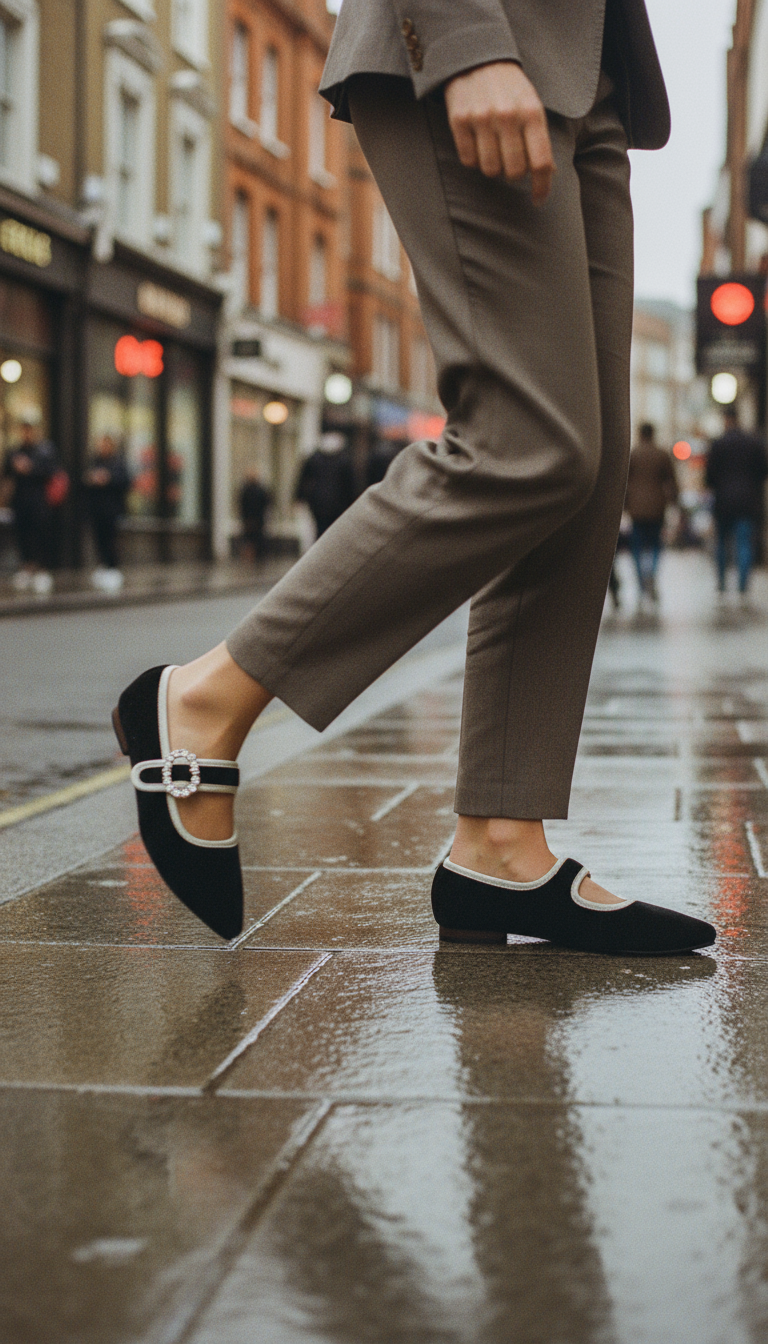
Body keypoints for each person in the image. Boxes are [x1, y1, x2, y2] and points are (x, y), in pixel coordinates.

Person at [110, 0, 715, 956]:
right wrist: (465, 41)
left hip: (595, 69)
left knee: (586, 475)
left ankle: (501, 843)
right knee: (527, 441)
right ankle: (204, 698)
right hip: (489, 33)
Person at [705, 406, 768, 596]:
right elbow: (764, 470)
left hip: (724, 501)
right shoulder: (753, 442)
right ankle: (742, 586)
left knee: (722, 543)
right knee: (744, 543)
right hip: (748, 501)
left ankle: (722, 583)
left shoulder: (718, 444)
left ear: (726, 420)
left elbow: (709, 476)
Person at [2, 410, 59, 594]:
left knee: (41, 534)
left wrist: (30, 468)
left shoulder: (45, 450)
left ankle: (43, 569)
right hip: (20, 500)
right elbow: (7, 476)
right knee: (22, 535)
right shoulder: (15, 451)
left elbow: (52, 472)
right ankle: (26, 567)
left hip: (40, 501)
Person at [624, 421, 678, 605]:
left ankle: (641, 582)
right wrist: (675, 501)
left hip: (636, 508)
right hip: (657, 507)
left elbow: (624, 481)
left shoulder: (633, 454)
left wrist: (624, 506)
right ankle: (652, 573)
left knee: (637, 547)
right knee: (655, 545)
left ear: (640, 434)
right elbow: (671, 480)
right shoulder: (662, 454)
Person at [83, 434, 131, 592]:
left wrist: (108, 478)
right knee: (99, 539)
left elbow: (126, 481)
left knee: (111, 539)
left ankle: (113, 568)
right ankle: (103, 566)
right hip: (96, 509)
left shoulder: (118, 463)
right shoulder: (94, 462)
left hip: (112, 510)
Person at [295, 432, 356, 536]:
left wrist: (299, 497)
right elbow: (350, 484)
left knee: (321, 529)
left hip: (319, 501)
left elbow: (303, 479)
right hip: (335, 501)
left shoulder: (314, 458)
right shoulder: (344, 460)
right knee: (333, 529)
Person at [239, 468, 272, 561]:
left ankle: (255, 555)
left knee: (252, 538)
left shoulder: (248, 490)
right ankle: (257, 555)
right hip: (256, 518)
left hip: (252, 518)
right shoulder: (258, 490)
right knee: (255, 538)